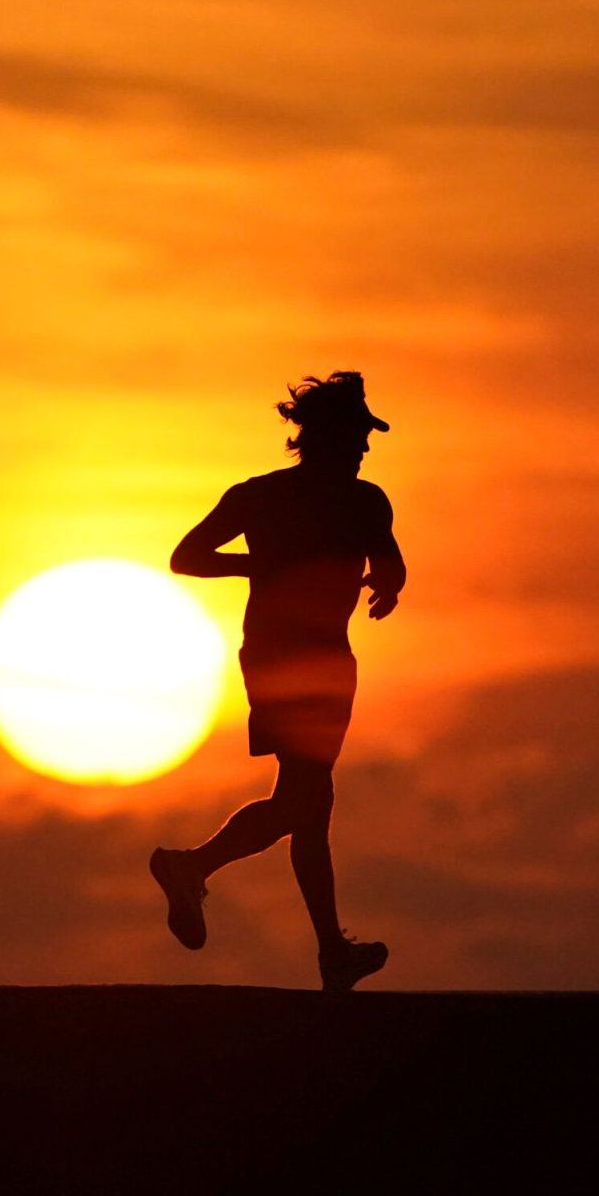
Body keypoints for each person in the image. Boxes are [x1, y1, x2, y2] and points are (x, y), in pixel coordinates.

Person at [151, 371, 406, 991]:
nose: (364, 447)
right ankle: (193, 866)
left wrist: (387, 585)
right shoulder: (260, 496)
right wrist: (258, 563)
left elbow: (391, 563)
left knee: (310, 804)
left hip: (324, 658)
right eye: (356, 434)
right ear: (325, 435)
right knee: (307, 800)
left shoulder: (365, 501)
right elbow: (185, 557)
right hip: (285, 659)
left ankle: (331, 952)